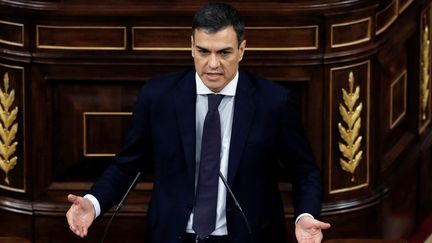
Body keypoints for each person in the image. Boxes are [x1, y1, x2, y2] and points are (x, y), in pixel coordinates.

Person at [66, 2, 331, 243]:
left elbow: (305, 172)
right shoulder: (158, 97)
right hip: (174, 235)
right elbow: (128, 165)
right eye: (203, 51)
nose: (212, 64)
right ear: (191, 46)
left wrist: (305, 215)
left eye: (224, 52)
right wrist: (94, 202)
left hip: (249, 235)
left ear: (241, 50)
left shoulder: (274, 103)